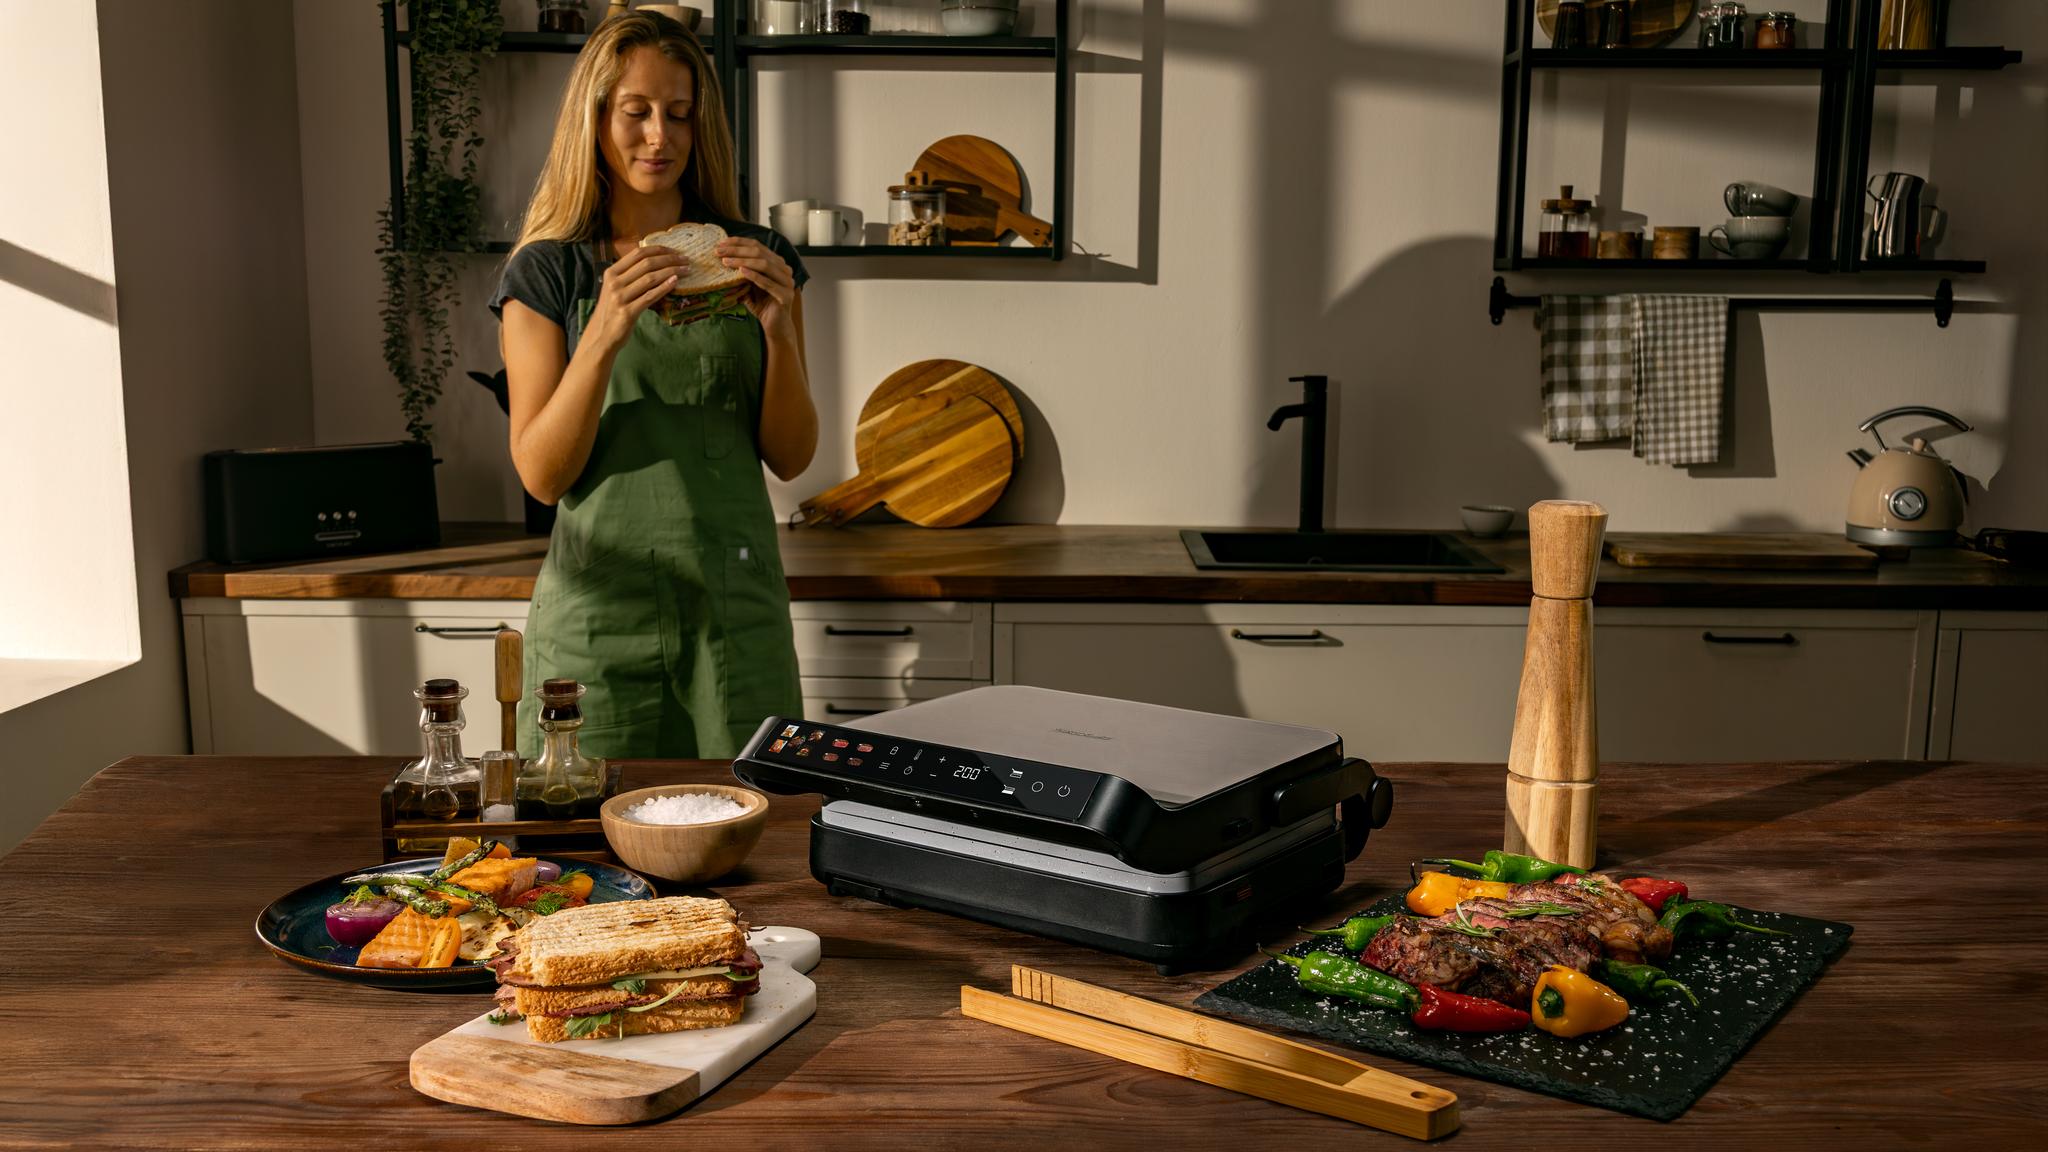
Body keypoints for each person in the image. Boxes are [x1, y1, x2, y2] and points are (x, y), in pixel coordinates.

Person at [491, 11, 815, 760]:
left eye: (678, 115)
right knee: (589, 850)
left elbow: (793, 455)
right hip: (600, 622)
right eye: (635, 113)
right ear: (596, 118)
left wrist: (780, 330)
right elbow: (542, 475)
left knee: (755, 842)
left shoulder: (755, 258)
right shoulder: (547, 273)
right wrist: (604, 330)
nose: (659, 137)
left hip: (737, 617)